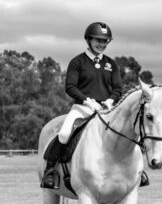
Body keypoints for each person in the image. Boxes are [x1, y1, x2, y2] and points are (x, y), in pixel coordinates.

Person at [41, 22, 124, 189]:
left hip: (107, 110)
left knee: (126, 132)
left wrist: (110, 100)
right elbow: (70, 87)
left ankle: (135, 171)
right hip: (82, 107)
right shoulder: (77, 62)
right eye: (98, 40)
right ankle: (50, 171)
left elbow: (118, 89)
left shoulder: (111, 64)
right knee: (64, 134)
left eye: (105, 41)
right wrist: (87, 100)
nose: (101, 44)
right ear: (88, 40)